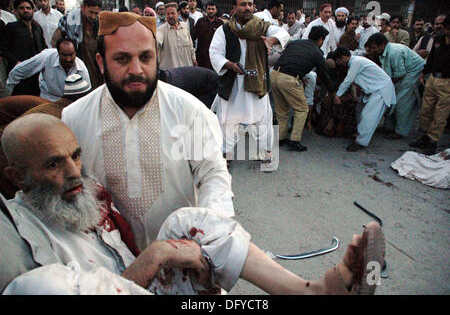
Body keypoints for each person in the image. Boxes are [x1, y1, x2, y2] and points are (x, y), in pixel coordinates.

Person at [0, 115, 385, 295]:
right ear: (17, 177)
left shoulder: (84, 191)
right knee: (41, 287)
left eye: (76, 156)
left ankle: (309, 293)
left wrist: (182, 256)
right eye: (54, 163)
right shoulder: (18, 231)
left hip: (147, 286)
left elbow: (213, 167)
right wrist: (153, 258)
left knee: (189, 221)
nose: (73, 172)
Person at [62, 11, 230, 249]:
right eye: (122, 59)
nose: (136, 69)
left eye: (145, 57)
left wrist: (211, 237)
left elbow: (212, 174)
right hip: (109, 261)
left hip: (183, 256)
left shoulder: (188, 110)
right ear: (101, 62)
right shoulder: (75, 118)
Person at [209, 0, 289, 171]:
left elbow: (284, 33)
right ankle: (226, 155)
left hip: (257, 83)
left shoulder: (263, 26)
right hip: (232, 84)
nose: (247, 8)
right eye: (243, 4)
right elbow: (215, 53)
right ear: (235, 8)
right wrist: (229, 65)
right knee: (228, 122)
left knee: (263, 121)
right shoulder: (224, 30)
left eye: (250, 4)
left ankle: (267, 154)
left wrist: (272, 40)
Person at [270, 26, 335, 152]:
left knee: (282, 110)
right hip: (288, 79)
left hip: (274, 75)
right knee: (302, 109)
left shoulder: (295, 43)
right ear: (321, 39)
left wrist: (299, 75)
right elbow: (324, 75)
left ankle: (281, 138)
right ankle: (294, 140)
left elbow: (291, 59)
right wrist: (332, 92)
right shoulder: (317, 53)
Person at [333, 46, 397, 151]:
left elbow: (348, 80)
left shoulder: (356, 62)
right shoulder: (356, 61)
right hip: (376, 89)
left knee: (368, 116)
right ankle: (360, 134)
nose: (338, 64)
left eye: (337, 61)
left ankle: (361, 142)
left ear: (343, 58)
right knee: (361, 111)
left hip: (381, 89)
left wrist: (337, 95)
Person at [367, 33, 426, 139]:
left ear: (382, 45)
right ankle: (389, 127)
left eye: (374, 47)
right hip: (402, 75)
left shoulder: (394, 52)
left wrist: (385, 85)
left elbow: (400, 73)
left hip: (412, 74)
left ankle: (400, 132)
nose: (372, 50)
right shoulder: (384, 52)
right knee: (390, 101)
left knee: (401, 104)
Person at [409, 15, 450, 155]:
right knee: (426, 110)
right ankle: (424, 137)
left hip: (447, 82)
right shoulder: (437, 40)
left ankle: (433, 141)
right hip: (432, 78)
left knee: (440, 114)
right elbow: (431, 58)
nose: (444, 29)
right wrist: (423, 73)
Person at [6, 38, 90, 102]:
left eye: (71, 55)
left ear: (75, 53)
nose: (68, 59)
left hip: (69, 104)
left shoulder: (82, 69)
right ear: (58, 52)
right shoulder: (46, 57)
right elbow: (20, 70)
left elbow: (87, 96)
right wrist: (8, 95)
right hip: (47, 99)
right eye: (64, 55)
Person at [51, 0, 103, 90]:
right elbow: (56, 41)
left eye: (96, 13)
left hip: (95, 63)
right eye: (91, 12)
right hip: (75, 62)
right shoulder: (68, 20)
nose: (93, 16)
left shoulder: (100, 23)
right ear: (83, 8)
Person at [0, 0, 47, 96]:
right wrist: (15, 62)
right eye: (22, 8)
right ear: (16, 11)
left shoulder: (37, 27)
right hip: (20, 73)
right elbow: (4, 49)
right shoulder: (11, 27)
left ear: (33, 11)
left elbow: (43, 47)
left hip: (37, 72)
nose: (26, 10)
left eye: (28, 8)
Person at [156, 2, 197, 70]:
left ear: (178, 13)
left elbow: (190, 46)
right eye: (168, 14)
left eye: (173, 13)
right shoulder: (161, 30)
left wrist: (194, 58)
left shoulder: (184, 27)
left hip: (186, 70)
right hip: (170, 74)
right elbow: (156, 43)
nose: (170, 16)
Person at [191, 0, 224, 70]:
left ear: (216, 10)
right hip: (201, 57)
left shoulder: (220, 23)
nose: (211, 11)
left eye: (213, 9)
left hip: (215, 57)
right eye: (209, 9)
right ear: (206, 10)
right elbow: (192, 38)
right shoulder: (200, 22)